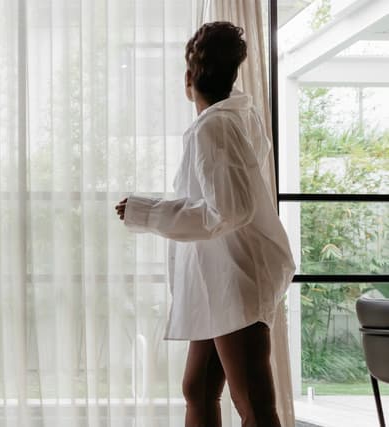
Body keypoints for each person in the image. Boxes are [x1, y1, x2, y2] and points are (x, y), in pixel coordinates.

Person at [114, 22, 296, 427]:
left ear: (189, 77)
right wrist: (148, 208)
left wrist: (146, 212)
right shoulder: (232, 119)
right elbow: (222, 202)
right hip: (220, 278)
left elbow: (227, 211)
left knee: (255, 407)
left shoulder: (215, 126)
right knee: (197, 390)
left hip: (235, 278)